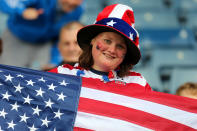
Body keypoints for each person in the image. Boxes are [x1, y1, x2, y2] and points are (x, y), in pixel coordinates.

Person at [49, 4, 151, 89]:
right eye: (107, 41)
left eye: (120, 46)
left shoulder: (138, 83)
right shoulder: (62, 74)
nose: (112, 50)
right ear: (92, 40)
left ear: (126, 53)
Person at [0, 0, 84, 69]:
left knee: (42, 78)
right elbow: (5, 2)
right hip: (16, 38)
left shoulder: (78, 10)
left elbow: (61, 37)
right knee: (8, 72)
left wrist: (54, 60)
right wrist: (22, 11)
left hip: (44, 43)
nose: (72, 2)